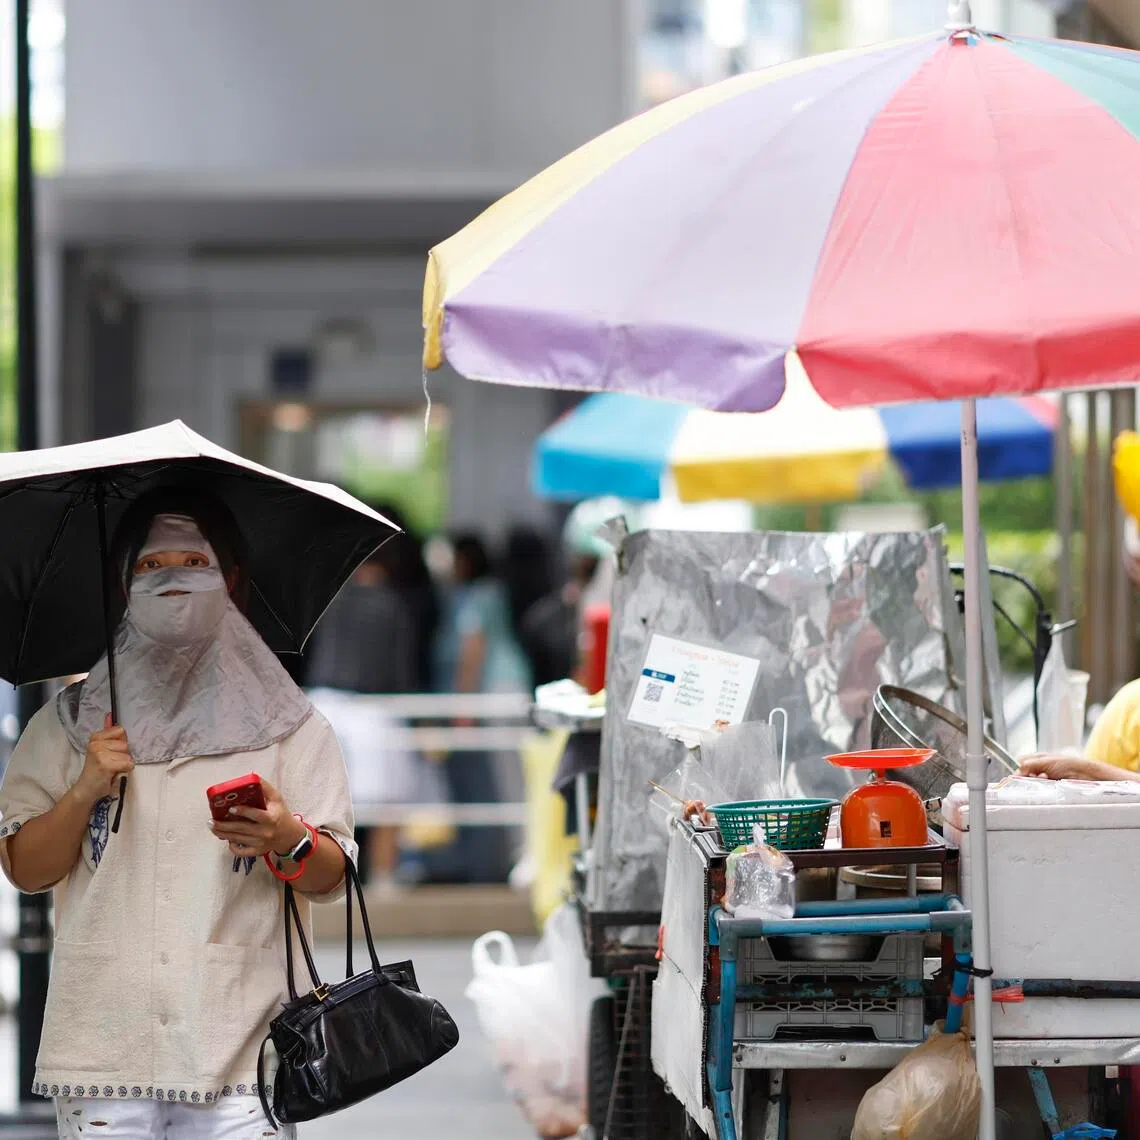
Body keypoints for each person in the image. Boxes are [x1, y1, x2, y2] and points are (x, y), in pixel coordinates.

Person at [0, 489, 354, 1140]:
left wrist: (285, 835)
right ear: (121, 584)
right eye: (148, 565)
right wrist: (84, 790)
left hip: (241, 1051)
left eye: (195, 560)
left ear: (234, 580)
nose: (171, 579)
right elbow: (25, 868)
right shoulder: (70, 726)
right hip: (103, 1055)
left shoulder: (290, 728)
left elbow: (331, 878)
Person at [305, 542, 421, 885]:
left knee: (320, 798)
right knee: (387, 799)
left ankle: (319, 874)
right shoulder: (392, 604)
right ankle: (383, 876)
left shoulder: (329, 600)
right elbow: (401, 668)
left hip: (322, 702)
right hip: (374, 708)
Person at [432, 534, 531, 883]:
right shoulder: (488, 593)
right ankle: (514, 854)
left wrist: (463, 702)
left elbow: (473, 647)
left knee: (509, 779)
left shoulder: (478, 596)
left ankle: (523, 854)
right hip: (503, 690)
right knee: (507, 778)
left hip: (495, 692)